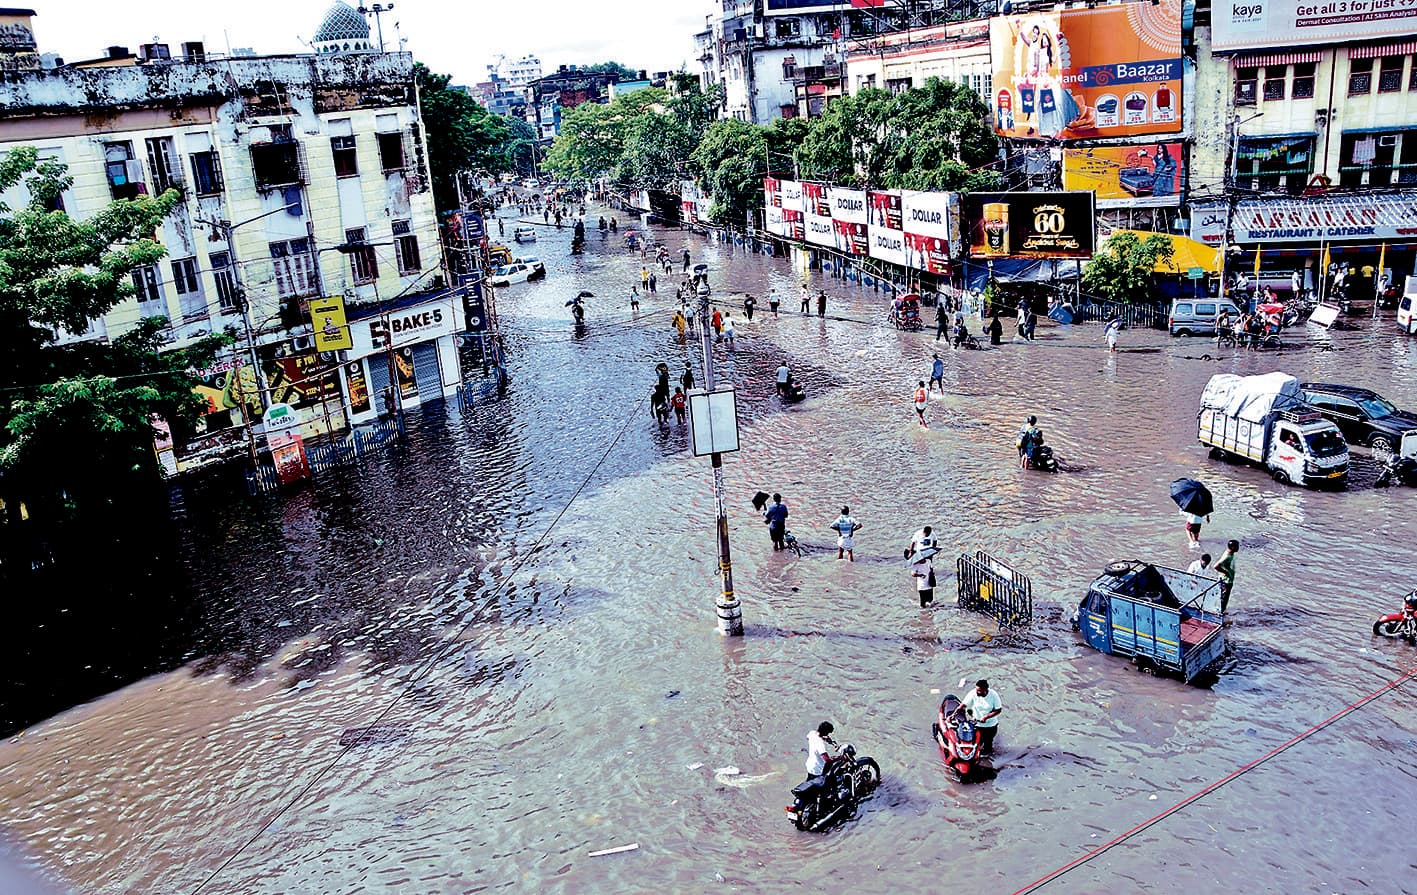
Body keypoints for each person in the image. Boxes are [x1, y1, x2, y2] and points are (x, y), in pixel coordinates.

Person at [962, 679, 1002, 755]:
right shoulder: (973, 693)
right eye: (976, 690)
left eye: (979, 691)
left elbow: (998, 710)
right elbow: (963, 705)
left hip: (990, 726)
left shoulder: (993, 695)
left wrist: (986, 717)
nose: (977, 692)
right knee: (976, 742)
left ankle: (987, 756)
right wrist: (954, 713)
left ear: (985, 690)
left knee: (988, 744)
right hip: (977, 724)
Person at [1215, 539, 1239, 614]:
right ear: (1232, 547)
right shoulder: (1227, 556)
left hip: (1227, 580)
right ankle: (1220, 613)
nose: (1238, 548)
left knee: (1223, 597)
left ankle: (1221, 611)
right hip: (1226, 581)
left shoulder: (1230, 553)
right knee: (1224, 598)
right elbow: (1216, 566)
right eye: (1237, 546)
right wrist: (1226, 572)